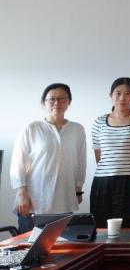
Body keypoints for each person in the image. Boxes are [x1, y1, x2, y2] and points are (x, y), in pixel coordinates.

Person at [10, 83, 87, 233]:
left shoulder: (77, 129)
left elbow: (80, 161)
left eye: (62, 99)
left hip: (64, 200)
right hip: (34, 201)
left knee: (62, 245)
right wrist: (21, 193)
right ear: (44, 102)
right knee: (30, 244)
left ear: (69, 102)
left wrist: (78, 190)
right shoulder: (32, 128)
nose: (56, 103)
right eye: (52, 99)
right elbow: (18, 163)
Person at [91, 77, 130, 228]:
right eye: (118, 93)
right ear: (110, 95)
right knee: (100, 227)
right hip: (102, 182)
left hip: (129, 181)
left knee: (125, 227)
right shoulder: (99, 122)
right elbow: (99, 156)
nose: (122, 98)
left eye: (127, 93)